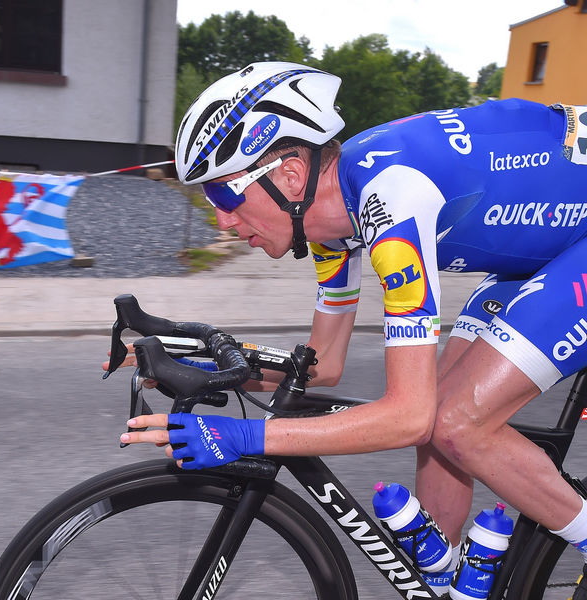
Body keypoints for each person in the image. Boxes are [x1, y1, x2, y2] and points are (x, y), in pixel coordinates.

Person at [115, 61, 587, 593]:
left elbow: (407, 417)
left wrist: (246, 436)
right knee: (442, 412)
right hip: (538, 255)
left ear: (290, 176)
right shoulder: (329, 228)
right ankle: (443, 581)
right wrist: (201, 363)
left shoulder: (393, 201)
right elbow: (322, 365)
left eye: (224, 196)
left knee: (454, 421)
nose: (221, 220)